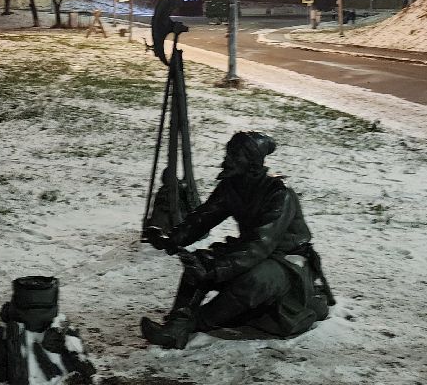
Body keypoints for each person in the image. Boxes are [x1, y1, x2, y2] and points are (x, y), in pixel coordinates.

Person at [140, 131, 330, 350]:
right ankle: (176, 326)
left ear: (252, 162)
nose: (227, 160)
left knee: (254, 280)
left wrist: (218, 270)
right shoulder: (232, 186)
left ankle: (194, 323)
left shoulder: (279, 194)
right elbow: (203, 217)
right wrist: (170, 240)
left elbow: (261, 244)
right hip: (253, 252)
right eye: (228, 153)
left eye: (234, 155)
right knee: (199, 262)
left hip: (287, 262)